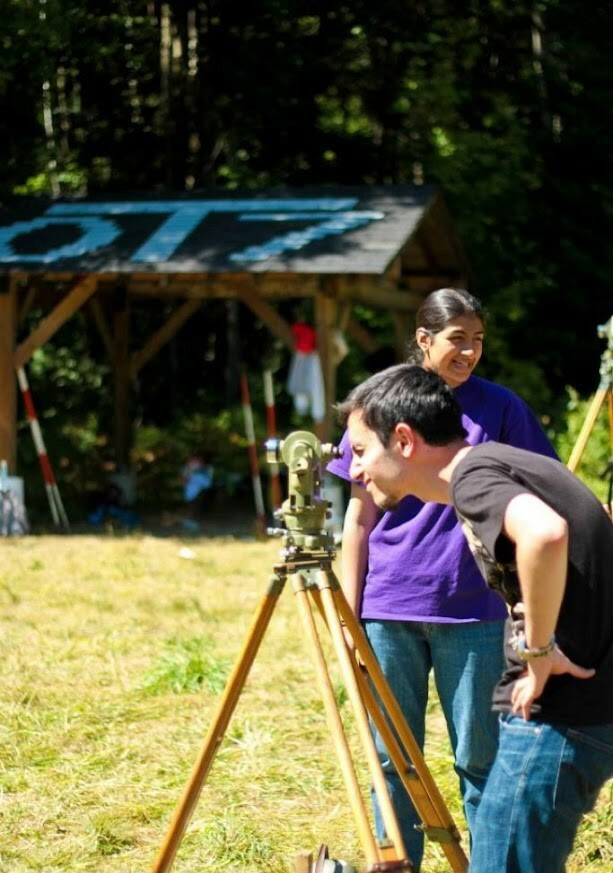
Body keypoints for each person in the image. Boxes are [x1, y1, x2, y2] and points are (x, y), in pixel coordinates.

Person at [338, 363, 613, 873]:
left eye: (360, 452)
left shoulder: (474, 478)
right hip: (573, 713)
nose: (355, 472)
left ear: (403, 440)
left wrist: (537, 652)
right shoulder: (495, 462)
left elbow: (546, 534)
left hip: (561, 720)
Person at [326, 288, 557, 867]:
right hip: (387, 610)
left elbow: (539, 496)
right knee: (391, 759)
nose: (471, 351)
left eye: (478, 339)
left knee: (482, 759)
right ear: (425, 340)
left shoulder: (502, 409)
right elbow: (357, 520)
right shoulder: (377, 402)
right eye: (459, 338)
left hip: (473, 610)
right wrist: (347, 618)